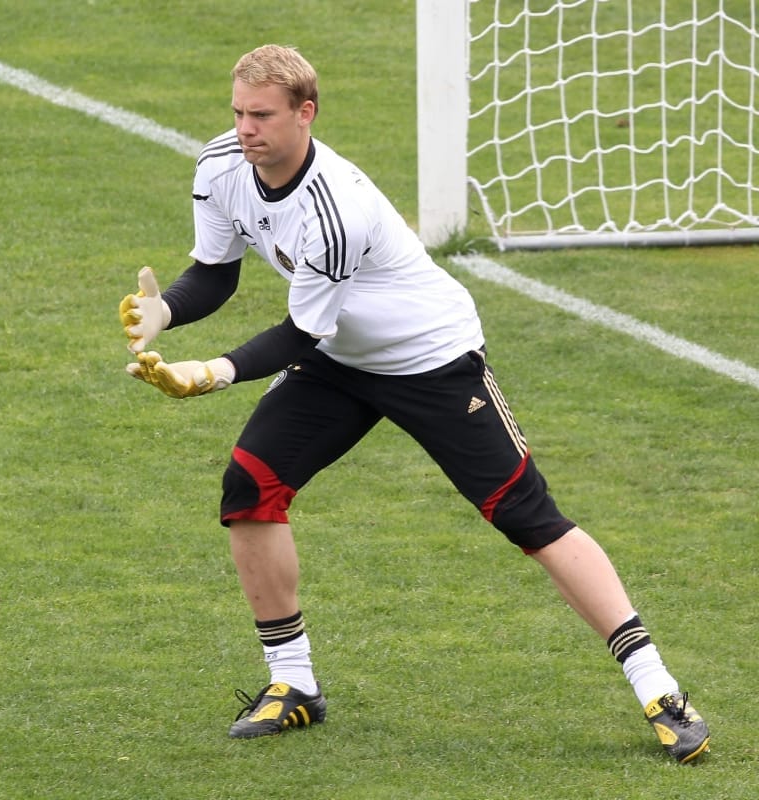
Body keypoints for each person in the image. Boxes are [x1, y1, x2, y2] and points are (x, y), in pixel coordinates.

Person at [118, 44, 710, 761]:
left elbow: (300, 331)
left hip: (430, 360)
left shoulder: (338, 208)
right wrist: (166, 316)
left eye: (263, 116)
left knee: (528, 515)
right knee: (250, 485)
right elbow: (214, 272)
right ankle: (294, 684)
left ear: (306, 114)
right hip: (338, 361)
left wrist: (208, 373)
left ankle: (660, 690)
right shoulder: (221, 165)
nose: (246, 129)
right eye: (239, 112)